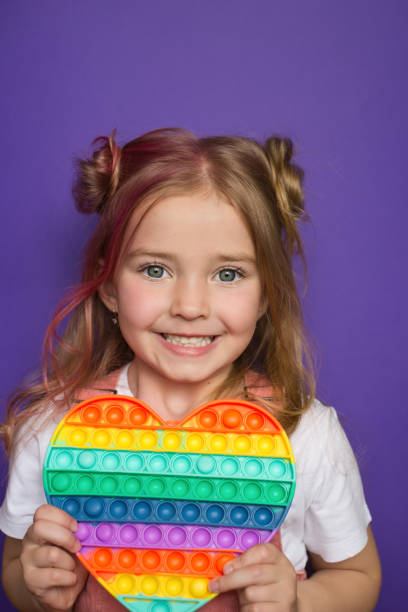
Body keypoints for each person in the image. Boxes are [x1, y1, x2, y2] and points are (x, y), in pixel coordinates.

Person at [0, 128, 381, 612]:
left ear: (267, 292)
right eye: (156, 269)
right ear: (110, 282)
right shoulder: (54, 430)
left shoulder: (305, 435)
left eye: (228, 274)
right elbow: (16, 570)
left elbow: (358, 576)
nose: (190, 306)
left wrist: (298, 602)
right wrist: (40, 588)